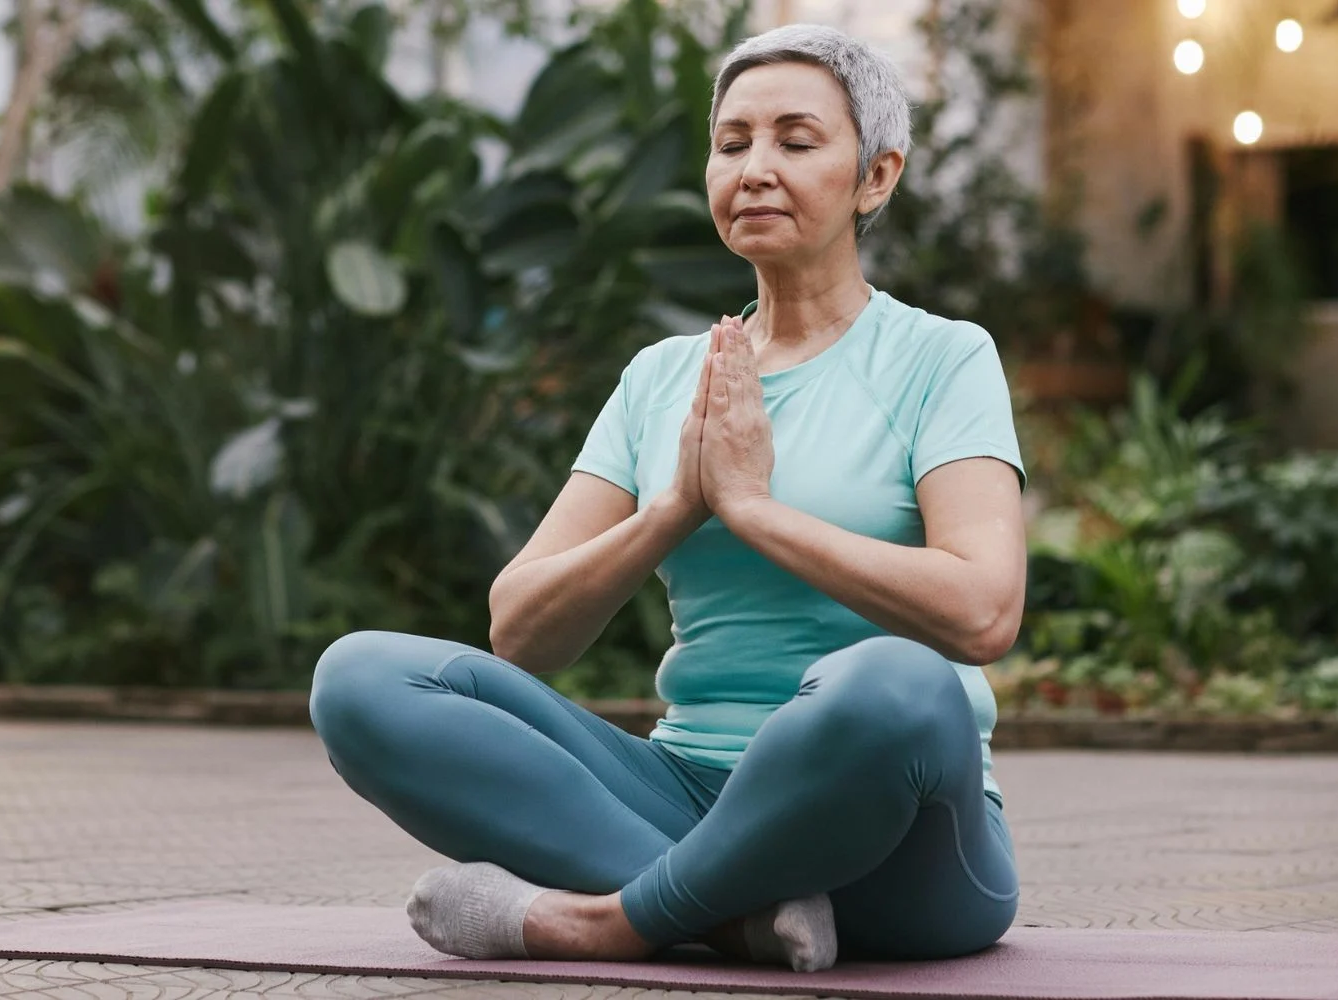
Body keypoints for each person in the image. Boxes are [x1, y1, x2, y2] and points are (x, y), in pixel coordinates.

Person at [309, 22, 1027, 972]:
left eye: (796, 142)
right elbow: (522, 631)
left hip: (901, 842)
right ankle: (735, 915)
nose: (755, 168)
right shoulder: (664, 379)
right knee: (361, 678)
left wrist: (756, 510)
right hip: (686, 788)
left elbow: (982, 613)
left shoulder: (943, 358)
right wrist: (670, 513)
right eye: (732, 144)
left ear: (876, 177)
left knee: (892, 682)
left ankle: (604, 921)